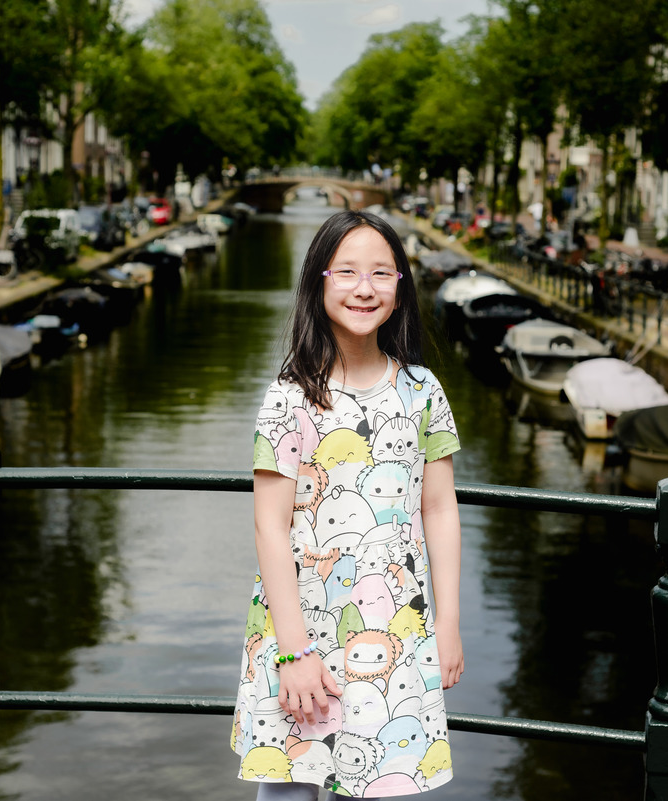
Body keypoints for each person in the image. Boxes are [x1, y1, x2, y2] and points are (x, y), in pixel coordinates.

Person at [232, 210, 465, 799]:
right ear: (319, 282)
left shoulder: (422, 391)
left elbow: (439, 510)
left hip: (394, 629)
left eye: (382, 273)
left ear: (401, 289)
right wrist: (292, 653)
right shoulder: (291, 397)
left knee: (383, 781)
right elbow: (269, 527)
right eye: (348, 272)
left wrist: (449, 622)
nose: (365, 288)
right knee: (290, 785)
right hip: (301, 628)